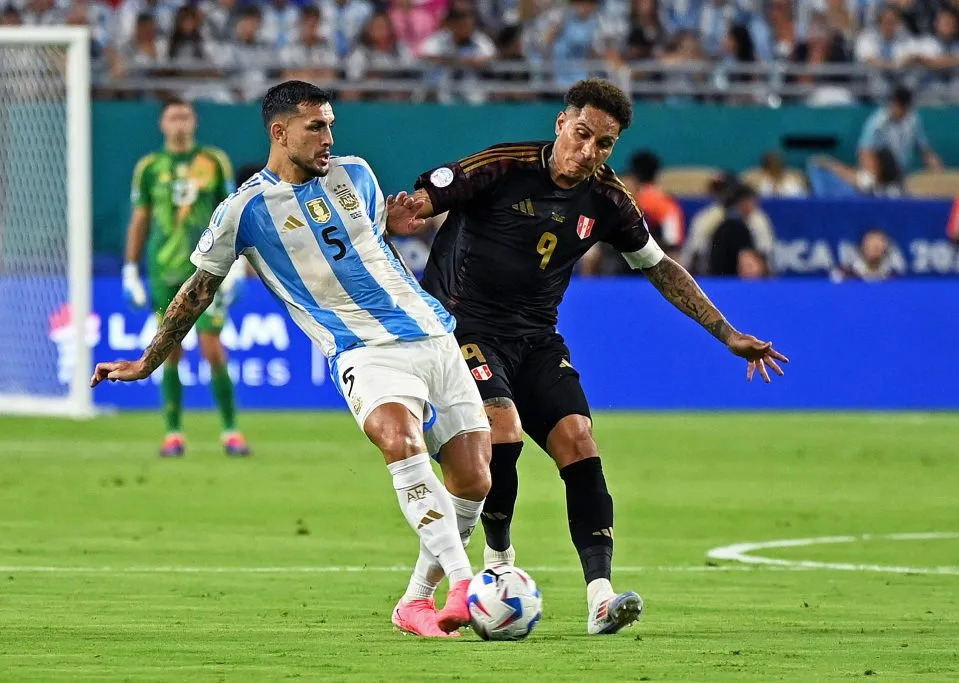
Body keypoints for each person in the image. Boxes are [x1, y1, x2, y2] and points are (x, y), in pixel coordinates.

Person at [387, 78, 789, 635]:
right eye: (582, 134)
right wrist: (407, 214)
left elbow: (658, 266)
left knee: (578, 439)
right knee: (502, 428)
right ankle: (499, 561)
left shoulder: (607, 199)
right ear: (561, 124)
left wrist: (726, 333)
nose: (589, 151)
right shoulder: (502, 166)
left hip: (536, 337)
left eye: (604, 143)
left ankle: (600, 596)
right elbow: (421, 202)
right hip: (463, 329)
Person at [95, 81, 491, 638]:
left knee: (473, 480)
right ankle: (465, 582)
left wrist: (395, 222)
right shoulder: (244, 209)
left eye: (331, 125)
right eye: (316, 127)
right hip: (362, 351)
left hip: (433, 336)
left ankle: (416, 601)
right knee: (399, 440)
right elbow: (197, 291)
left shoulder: (357, 173)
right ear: (280, 133)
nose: (329, 137)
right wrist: (148, 360)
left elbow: (367, 241)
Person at [122, 97, 251, 458]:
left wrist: (238, 264)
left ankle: (231, 430)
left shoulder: (213, 161)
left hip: (207, 271)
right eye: (172, 117)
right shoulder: (150, 167)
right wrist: (130, 268)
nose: (179, 123)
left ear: (194, 122)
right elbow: (140, 218)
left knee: (212, 347)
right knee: (169, 350)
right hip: (164, 270)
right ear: (162, 124)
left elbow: (231, 213)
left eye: (184, 116)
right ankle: (173, 433)